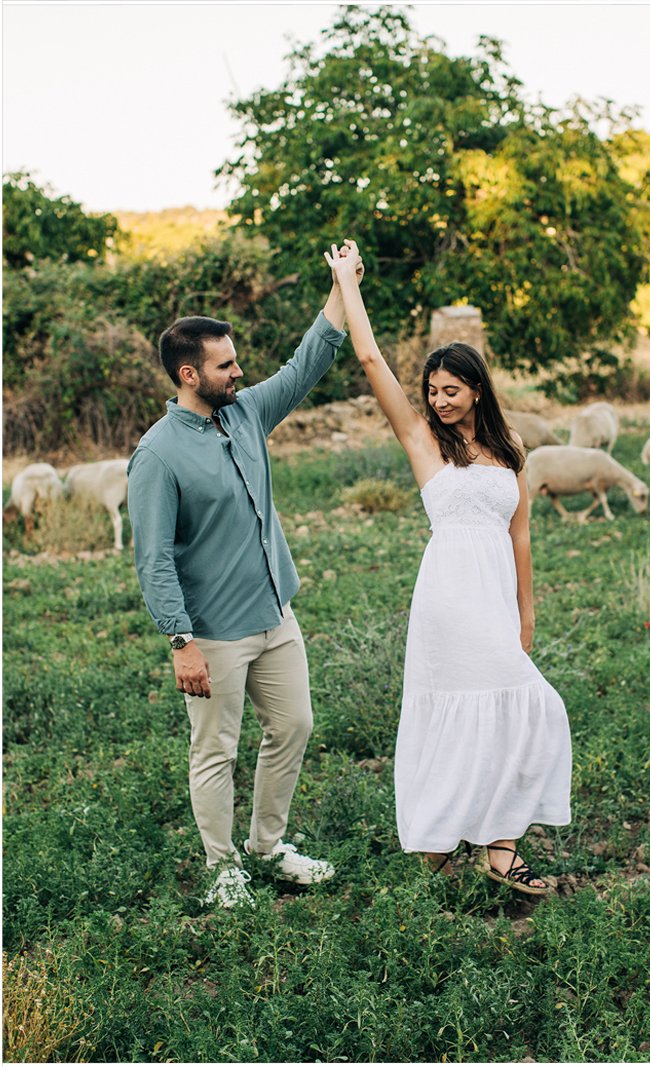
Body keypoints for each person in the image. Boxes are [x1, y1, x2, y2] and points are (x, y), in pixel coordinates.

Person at [323, 243, 572, 894]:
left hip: (494, 594)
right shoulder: (422, 440)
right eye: (432, 391)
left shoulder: (510, 445)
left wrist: (527, 609)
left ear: (478, 389)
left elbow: (521, 534)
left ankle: (497, 846)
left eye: (451, 390)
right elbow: (371, 358)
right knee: (485, 707)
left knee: (525, 706)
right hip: (447, 596)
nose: (438, 400)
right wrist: (347, 282)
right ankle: (448, 842)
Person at [129, 248, 352, 908]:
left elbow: (307, 362)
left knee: (294, 725)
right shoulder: (158, 454)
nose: (239, 370)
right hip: (213, 634)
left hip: (276, 615)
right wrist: (181, 640)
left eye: (237, 360)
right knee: (215, 750)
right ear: (190, 373)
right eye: (226, 364)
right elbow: (153, 558)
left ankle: (267, 845)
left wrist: (342, 285)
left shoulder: (247, 412)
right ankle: (222, 865)